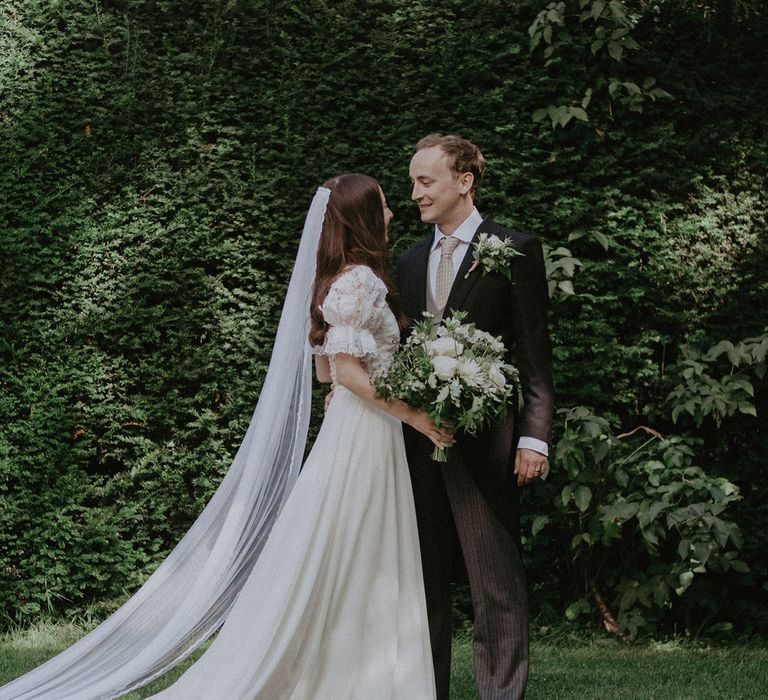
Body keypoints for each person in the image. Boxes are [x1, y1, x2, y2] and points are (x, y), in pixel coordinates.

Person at [0, 175, 449, 700]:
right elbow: (346, 374)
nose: (393, 213)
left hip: (352, 427)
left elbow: (327, 377)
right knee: (362, 542)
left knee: (341, 541)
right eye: (383, 205)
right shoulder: (364, 282)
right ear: (362, 218)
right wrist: (416, 415)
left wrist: (369, 387)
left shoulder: (334, 281)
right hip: (368, 433)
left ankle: (338, 662)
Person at [397, 134, 555, 700]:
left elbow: (536, 353)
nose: (415, 192)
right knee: (426, 581)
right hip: (418, 444)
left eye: (425, 181)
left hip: (489, 442)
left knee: (497, 582)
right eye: (413, 181)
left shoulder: (513, 248)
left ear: (464, 181)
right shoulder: (410, 259)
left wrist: (534, 437)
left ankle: (501, 693)